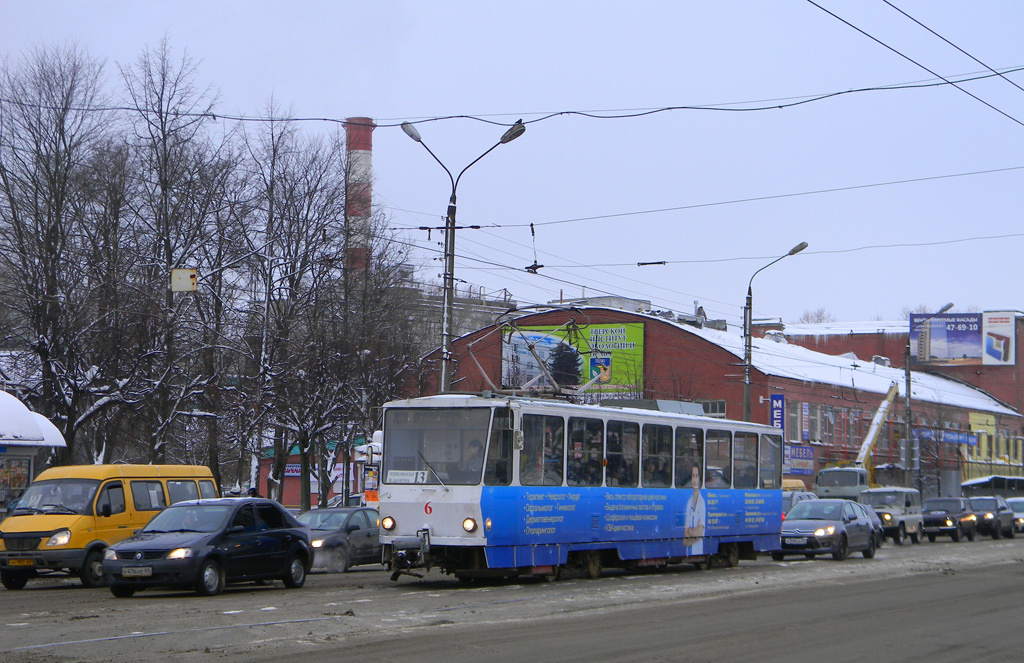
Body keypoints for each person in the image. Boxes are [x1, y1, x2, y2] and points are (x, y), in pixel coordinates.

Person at [683, 464, 706, 553]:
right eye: (692, 475)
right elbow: (685, 540)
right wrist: (693, 532)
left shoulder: (702, 503)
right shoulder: (689, 502)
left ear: (699, 478)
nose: (694, 479)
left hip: (698, 550)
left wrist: (689, 531)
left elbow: (699, 533)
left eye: (696, 476)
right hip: (688, 551)